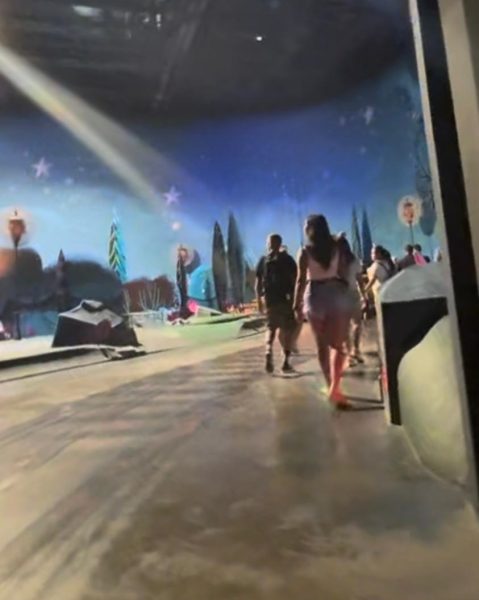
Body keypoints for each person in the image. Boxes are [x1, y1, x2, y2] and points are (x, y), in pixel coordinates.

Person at [293, 215, 352, 408]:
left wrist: (296, 305)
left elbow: (301, 280)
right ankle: (336, 388)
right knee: (338, 346)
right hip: (335, 295)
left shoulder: (304, 251)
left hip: (314, 297)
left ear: (310, 229)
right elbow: (342, 272)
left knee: (322, 346)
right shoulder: (336, 247)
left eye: (306, 226)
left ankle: (329, 385)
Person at [256, 234, 297, 374]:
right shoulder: (288, 259)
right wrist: (296, 299)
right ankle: (285, 362)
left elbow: (257, 284)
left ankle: (268, 350)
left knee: (270, 328)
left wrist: (259, 301)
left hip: (269, 300)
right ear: (280, 243)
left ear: (268, 244)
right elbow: (295, 280)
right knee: (287, 330)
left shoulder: (263, 261)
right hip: (285, 299)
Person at [336, 236, 367, 367]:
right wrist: (364, 295)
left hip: (339, 295)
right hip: (353, 294)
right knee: (357, 324)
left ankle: (349, 356)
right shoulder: (354, 260)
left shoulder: (333, 261)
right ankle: (356, 350)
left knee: (345, 327)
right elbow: (359, 280)